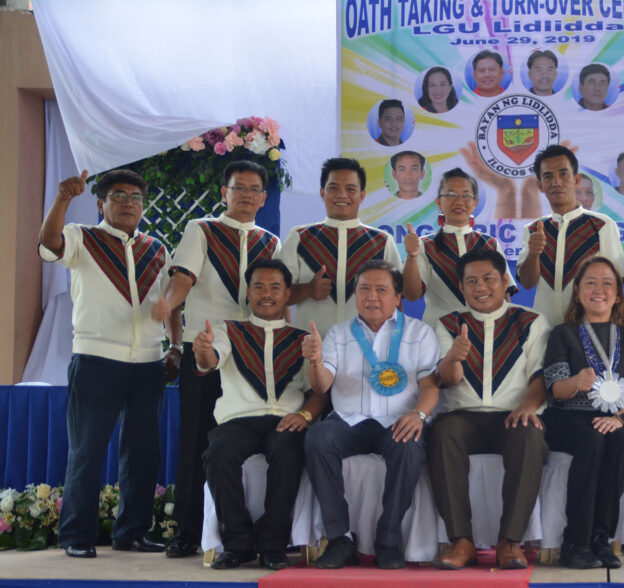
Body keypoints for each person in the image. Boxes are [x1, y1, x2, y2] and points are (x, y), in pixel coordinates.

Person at [40, 169, 177, 559]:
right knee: (87, 451)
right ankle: (76, 536)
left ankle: (131, 532)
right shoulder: (83, 238)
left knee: (143, 452)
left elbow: (169, 303)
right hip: (97, 360)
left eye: (136, 197)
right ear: (101, 203)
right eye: (119, 195)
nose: (129, 202)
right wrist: (63, 199)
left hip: (149, 363)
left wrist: (176, 346)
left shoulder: (157, 248)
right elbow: (49, 244)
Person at [151, 160, 280, 558]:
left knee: (242, 441)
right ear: (224, 193)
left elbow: (278, 296)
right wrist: (168, 303)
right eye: (238, 188)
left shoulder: (270, 242)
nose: (246, 195)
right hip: (201, 347)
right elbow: (183, 278)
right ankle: (187, 530)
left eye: (254, 189)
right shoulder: (201, 230)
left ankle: (248, 530)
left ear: (262, 197)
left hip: (249, 352)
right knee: (196, 440)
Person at [303, 260, 440, 569]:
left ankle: (388, 541)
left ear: (398, 297)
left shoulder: (420, 333)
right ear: (355, 295)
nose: (372, 297)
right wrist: (314, 361)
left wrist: (418, 414)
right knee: (318, 439)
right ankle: (339, 540)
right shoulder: (339, 333)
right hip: (349, 420)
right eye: (364, 289)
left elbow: (430, 387)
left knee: (407, 448)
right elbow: (322, 385)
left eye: (381, 290)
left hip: (399, 420)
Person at [198, 259, 327, 570]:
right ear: (248, 293)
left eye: (275, 288)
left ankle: (272, 545)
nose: (266, 294)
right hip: (238, 420)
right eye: (259, 287)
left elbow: (318, 392)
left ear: (287, 295)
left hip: (285, 418)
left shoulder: (302, 339)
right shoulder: (227, 330)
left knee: (288, 451)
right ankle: (238, 543)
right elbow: (210, 360)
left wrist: (306, 417)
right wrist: (202, 349)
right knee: (218, 453)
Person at [429, 249, 550, 570]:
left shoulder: (531, 321)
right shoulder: (447, 323)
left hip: (512, 414)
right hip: (462, 416)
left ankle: (510, 541)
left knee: (530, 435)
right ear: (461, 286)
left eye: (488, 279)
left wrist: (528, 406)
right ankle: (461, 541)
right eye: (471, 281)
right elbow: (448, 380)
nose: (480, 287)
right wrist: (454, 356)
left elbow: (541, 375)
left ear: (505, 280)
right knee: (442, 432)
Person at [542, 256, 624, 569]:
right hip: (570, 418)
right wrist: (576, 383)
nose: (599, 289)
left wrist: (621, 418)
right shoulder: (562, 333)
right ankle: (575, 542)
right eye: (590, 283)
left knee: (621, 442)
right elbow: (555, 389)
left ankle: (599, 536)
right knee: (593, 440)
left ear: (618, 295)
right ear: (578, 292)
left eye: (608, 283)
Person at [279, 157, 401, 334]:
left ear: (362, 195)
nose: (342, 195)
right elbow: (277, 294)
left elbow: (398, 298)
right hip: (311, 350)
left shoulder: (382, 242)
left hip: (368, 351)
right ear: (322, 193)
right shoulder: (300, 238)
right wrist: (307, 290)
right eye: (333, 188)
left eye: (350, 189)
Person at [518, 144, 624, 326]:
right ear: (540, 185)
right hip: (546, 332)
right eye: (548, 176)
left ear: (576, 180)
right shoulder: (533, 229)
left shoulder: (602, 225)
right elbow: (528, 283)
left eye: (563, 174)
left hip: (589, 331)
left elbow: (616, 285)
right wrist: (533, 254)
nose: (556, 182)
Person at [402, 167, 517, 326]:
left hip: (484, 332)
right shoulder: (425, 246)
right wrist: (411, 256)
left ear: (475, 203)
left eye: (466, 195)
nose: (459, 201)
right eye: (450, 194)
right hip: (438, 331)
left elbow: (504, 296)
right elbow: (411, 295)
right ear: (439, 202)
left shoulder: (489, 244)